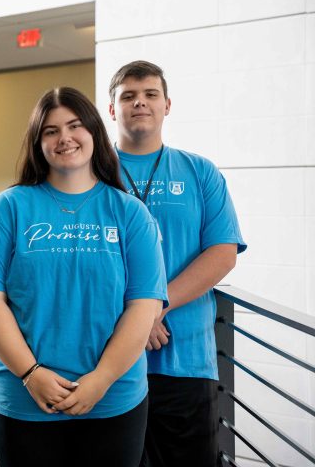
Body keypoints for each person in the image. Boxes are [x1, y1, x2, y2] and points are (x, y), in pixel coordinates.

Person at [0, 87, 168, 466]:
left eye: (75, 126)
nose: (64, 138)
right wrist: (31, 373)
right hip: (22, 398)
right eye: (50, 130)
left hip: (114, 399)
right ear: (37, 141)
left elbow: (144, 306)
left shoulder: (130, 213)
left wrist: (102, 379)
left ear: (94, 132)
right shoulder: (7, 208)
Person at [109, 60, 246, 467]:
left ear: (167, 105)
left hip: (185, 360)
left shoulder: (200, 172)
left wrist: (155, 307)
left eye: (150, 94)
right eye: (128, 96)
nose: (140, 103)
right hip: (107, 360)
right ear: (113, 109)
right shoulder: (91, 174)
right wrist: (137, 317)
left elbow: (222, 254)